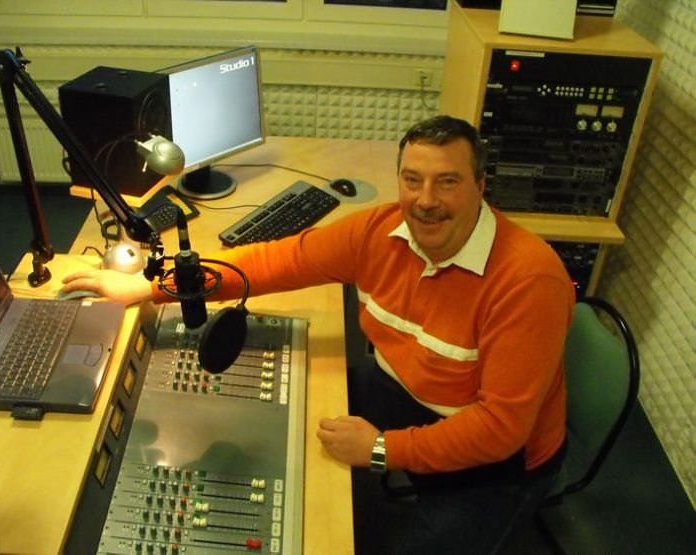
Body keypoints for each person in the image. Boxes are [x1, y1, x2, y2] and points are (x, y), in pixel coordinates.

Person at [62, 115, 574, 554]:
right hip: (406, 392)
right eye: (412, 180)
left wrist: (382, 450)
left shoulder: (529, 280)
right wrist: (149, 286)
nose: (425, 201)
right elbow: (277, 261)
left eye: (447, 182)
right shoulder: (379, 232)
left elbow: (500, 429)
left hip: (499, 462)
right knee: (294, 430)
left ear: (481, 186)